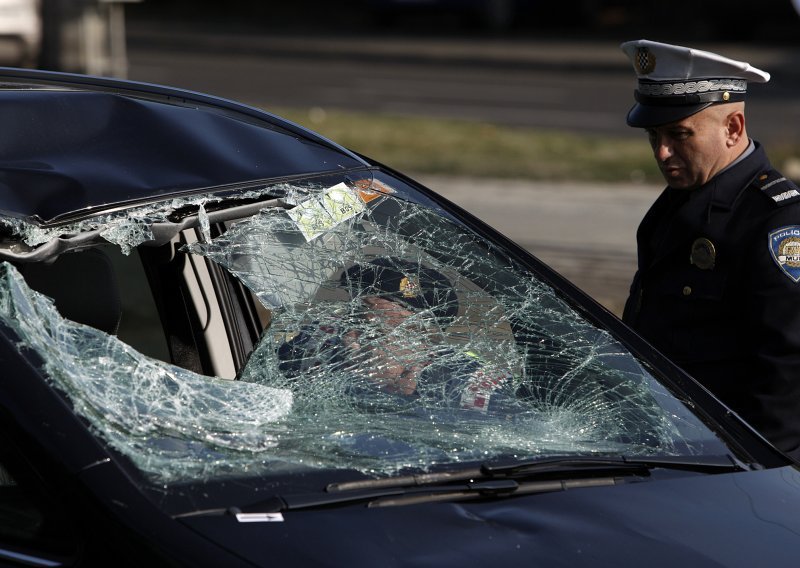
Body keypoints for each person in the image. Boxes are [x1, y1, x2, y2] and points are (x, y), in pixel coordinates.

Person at [620, 39, 800, 460]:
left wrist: (756, 470)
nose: (663, 153)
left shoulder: (777, 222)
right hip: (674, 446)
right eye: (654, 135)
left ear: (733, 128)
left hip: (733, 464)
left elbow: (787, 375)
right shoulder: (684, 197)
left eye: (680, 135)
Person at [278, 257, 517, 413]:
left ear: (422, 342)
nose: (348, 339)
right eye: (350, 322)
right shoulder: (314, 348)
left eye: (370, 332)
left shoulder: (473, 393)